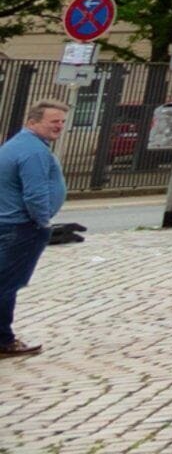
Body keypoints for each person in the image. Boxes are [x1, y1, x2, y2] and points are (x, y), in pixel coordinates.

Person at [1, 97, 66, 359]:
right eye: (53, 121)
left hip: (8, 224)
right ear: (32, 122)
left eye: (62, 121)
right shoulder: (33, 152)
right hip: (21, 228)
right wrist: (43, 222)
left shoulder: (14, 145)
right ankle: (4, 340)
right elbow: (35, 195)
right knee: (6, 284)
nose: (59, 126)